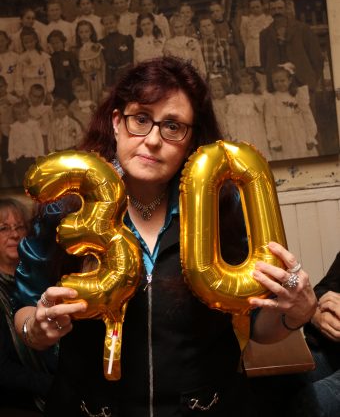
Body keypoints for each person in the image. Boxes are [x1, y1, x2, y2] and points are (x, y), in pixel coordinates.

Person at [14, 57, 316, 417]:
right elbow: (25, 305)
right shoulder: (64, 206)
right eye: (141, 119)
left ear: (191, 140)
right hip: (90, 409)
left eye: (172, 126)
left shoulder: (225, 209)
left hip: (207, 407)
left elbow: (260, 328)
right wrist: (37, 328)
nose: (153, 140)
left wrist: (294, 313)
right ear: (116, 122)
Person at [0, 198, 53, 413]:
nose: (14, 234)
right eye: (3, 228)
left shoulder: (43, 280)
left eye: (20, 226)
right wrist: (57, 385)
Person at [287, 251, 340, 417]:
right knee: (272, 382)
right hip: (330, 349)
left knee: (309, 405)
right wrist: (316, 316)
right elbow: (321, 291)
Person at [259, 0, 324, 100]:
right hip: (278, 86)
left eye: (280, 8)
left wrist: (313, 79)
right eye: (274, 9)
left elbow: (316, 58)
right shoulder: (264, 34)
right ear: (270, 12)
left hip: (302, 81)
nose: (277, 12)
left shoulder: (302, 29)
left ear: (286, 9)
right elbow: (264, 61)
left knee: (307, 114)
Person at [264, 63, 318, 161]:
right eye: (276, 81)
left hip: (300, 133)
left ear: (290, 80)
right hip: (282, 136)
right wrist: (274, 140)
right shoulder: (271, 99)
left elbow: (307, 116)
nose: (279, 84)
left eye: (282, 81)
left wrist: (310, 137)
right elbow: (269, 121)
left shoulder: (298, 96)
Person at [227, 68, 270, 160]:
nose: (246, 86)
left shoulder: (259, 98)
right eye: (243, 84)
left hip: (258, 130)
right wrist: (234, 135)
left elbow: (266, 114)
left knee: (259, 151)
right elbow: (231, 118)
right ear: (239, 85)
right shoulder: (235, 100)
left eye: (249, 83)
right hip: (242, 131)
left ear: (254, 83)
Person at [8, 100, 45, 186]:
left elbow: (39, 141)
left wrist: (39, 154)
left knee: (33, 175)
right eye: (18, 114)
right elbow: (11, 143)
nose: (21, 116)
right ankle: (23, 191)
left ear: (27, 113)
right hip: (20, 156)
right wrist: (12, 155)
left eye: (23, 113)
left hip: (32, 155)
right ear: (15, 115)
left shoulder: (33, 125)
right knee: (21, 175)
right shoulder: (14, 127)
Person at [15, 27, 54, 100]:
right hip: (27, 85)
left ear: (36, 40)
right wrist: (20, 92)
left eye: (31, 41)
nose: (29, 44)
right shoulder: (21, 58)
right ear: (22, 43)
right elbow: (18, 76)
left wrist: (49, 90)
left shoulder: (43, 56)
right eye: (26, 43)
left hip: (41, 84)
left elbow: (49, 74)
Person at [164, 13, 206, 79]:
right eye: (176, 27)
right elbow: (168, 62)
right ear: (172, 28)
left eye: (181, 26)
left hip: (193, 71)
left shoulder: (193, 41)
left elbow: (199, 58)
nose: (179, 29)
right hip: (178, 74)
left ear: (185, 26)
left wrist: (202, 72)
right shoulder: (169, 43)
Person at [75, 20, 105, 103]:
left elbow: (102, 65)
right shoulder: (77, 50)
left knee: (97, 97)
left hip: (96, 77)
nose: (84, 34)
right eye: (81, 32)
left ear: (91, 32)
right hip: (84, 78)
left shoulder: (96, 47)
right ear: (78, 33)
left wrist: (103, 81)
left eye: (86, 31)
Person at [99, 13, 134, 87]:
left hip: (124, 71)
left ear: (117, 22)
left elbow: (132, 57)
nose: (109, 25)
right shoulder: (102, 42)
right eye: (106, 24)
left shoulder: (126, 38)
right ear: (104, 25)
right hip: (111, 73)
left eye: (111, 23)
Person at [47, 29, 81, 102]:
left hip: (70, 84)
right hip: (58, 86)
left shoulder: (70, 55)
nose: (56, 45)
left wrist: (76, 82)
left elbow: (76, 70)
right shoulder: (50, 58)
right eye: (53, 43)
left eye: (58, 43)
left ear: (63, 42)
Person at [0, 30, 19, 95]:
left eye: (2, 41)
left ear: (7, 41)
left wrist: (17, 90)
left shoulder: (15, 57)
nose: (0, 44)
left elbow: (18, 76)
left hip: (13, 92)